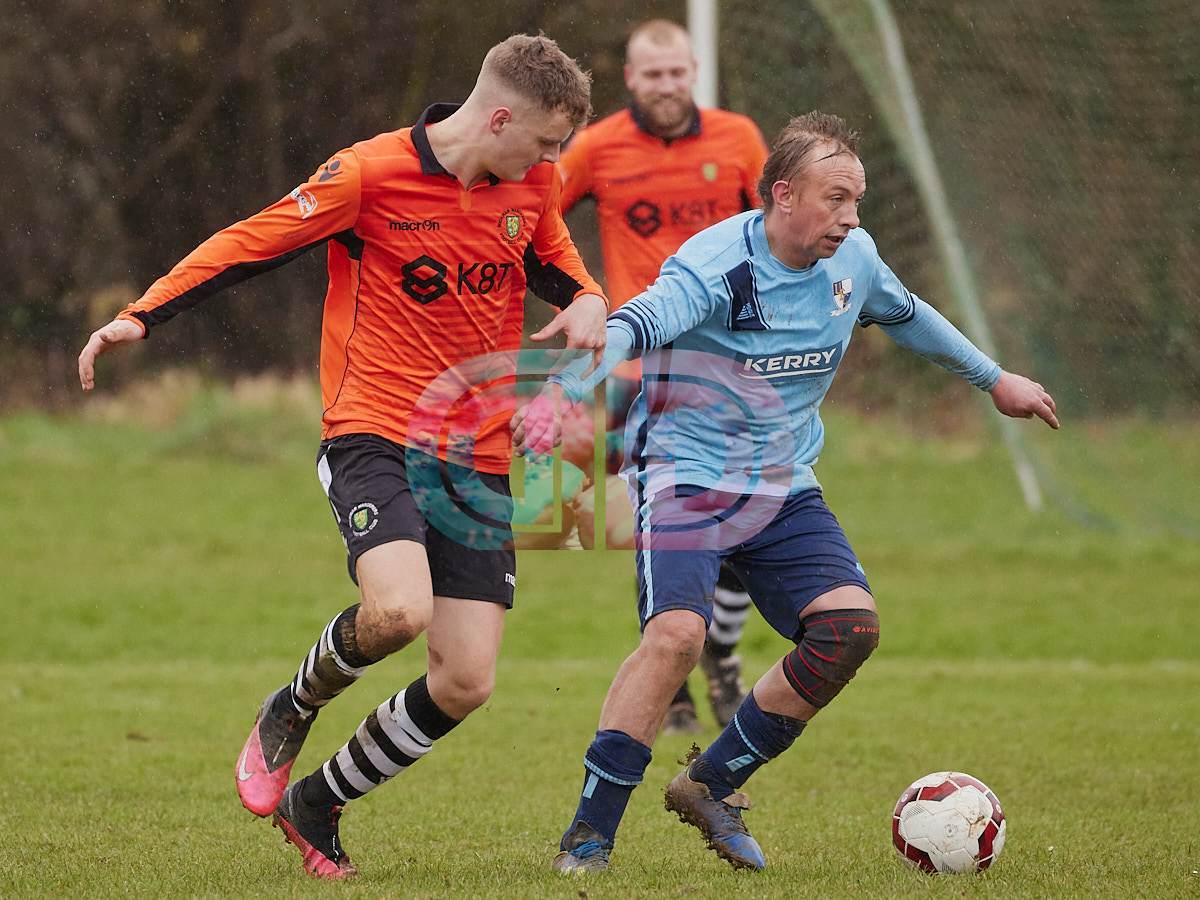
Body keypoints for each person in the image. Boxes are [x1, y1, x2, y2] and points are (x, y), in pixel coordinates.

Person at [77, 34, 608, 880]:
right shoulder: (368, 174)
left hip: (477, 453)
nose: (554, 162)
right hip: (375, 429)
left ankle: (317, 803)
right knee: (399, 612)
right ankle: (293, 705)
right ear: (500, 119)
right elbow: (249, 242)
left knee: (467, 681)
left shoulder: (532, 186)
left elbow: (564, 270)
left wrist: (590, 301)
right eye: (546, 142)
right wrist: (143, 315)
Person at [513, 111, 1058, 872]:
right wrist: (561, 394)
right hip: (687, 477)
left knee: (848, 629)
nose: (851, 217)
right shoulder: (715, 266)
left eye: (857, 200)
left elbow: (908, 316)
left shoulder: (854, 260)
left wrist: (993, 379)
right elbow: (634, 326)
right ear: (783, 194)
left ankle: (709, 783)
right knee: (676, 638)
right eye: (836, 199)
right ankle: (589, 835)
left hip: (782, 483)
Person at [557, 19, 770, 733]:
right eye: (653, 74)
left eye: (677, 72)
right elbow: (534, 221)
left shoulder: (739, 139)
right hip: (640, 369)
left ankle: (720, 651)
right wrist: (581, 300)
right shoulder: (597, 147)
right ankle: (672, 674)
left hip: (731, 363)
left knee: (747, 512)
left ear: (694, 71)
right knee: (664, 524)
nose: (667, 86)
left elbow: (777, 235)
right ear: (630, 78)